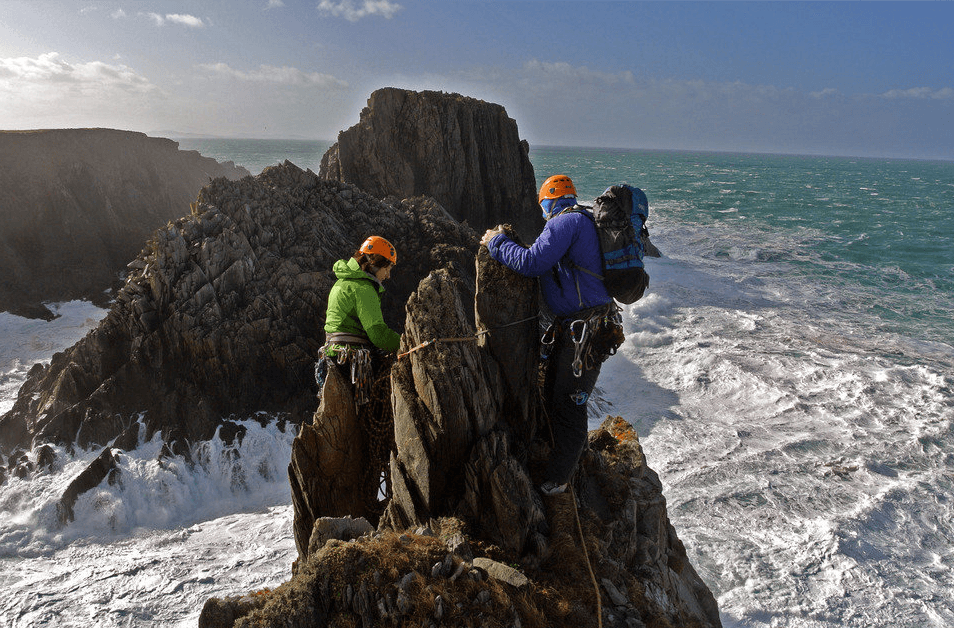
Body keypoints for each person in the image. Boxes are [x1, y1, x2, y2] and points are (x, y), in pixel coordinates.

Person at [480, 175, 625, 496]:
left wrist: (495, 242)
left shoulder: (564, 223)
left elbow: (531, 263)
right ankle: (561, 460)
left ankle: (559, 480)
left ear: (550, 199)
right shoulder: (585, 219)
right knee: (555, 394)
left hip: (584, 332)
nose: (542, 209)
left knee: (569, 403)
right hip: (588, 328)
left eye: (543, 202)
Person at [320, 235, 401, 405]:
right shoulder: (363, 288)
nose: (388, 275)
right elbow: (378, 334)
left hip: (335, 356)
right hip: (351, 362)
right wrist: (405, 343)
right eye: (388, 268)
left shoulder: (342, 282)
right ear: (375, 263)